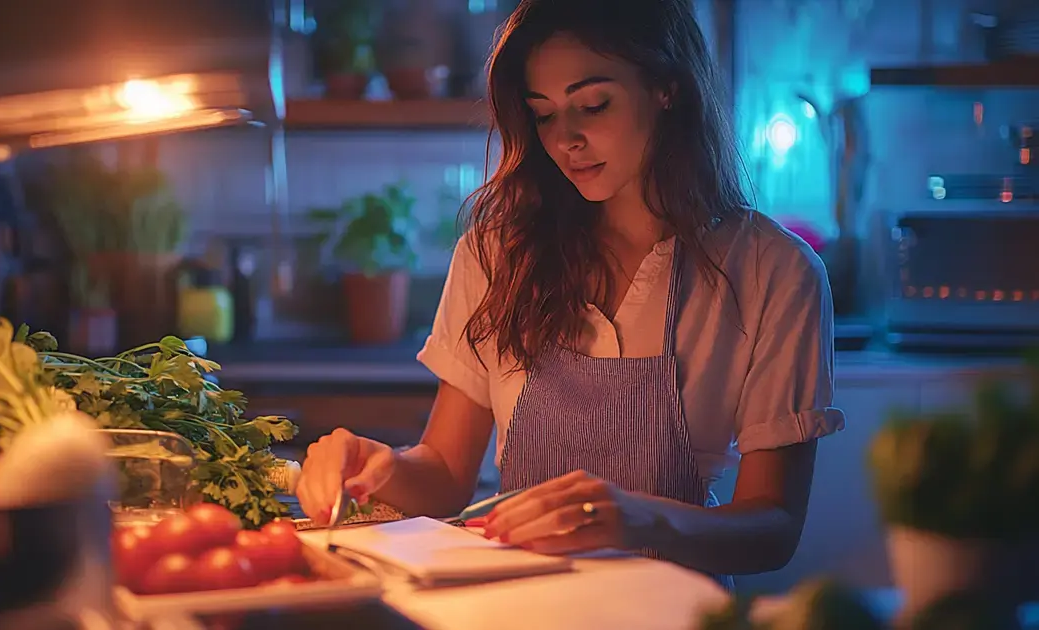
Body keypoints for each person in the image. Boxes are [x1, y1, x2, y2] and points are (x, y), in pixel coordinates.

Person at [296, 0, 845, 589]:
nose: (566, 141)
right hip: (515, 608)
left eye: (592, 105)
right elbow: (446, 474)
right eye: (544, 115)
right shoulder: (496, 255)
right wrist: (377, 468)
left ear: (666, 87)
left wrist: (636, 517)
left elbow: (773, 528)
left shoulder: (771, 270)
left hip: (669, 615)